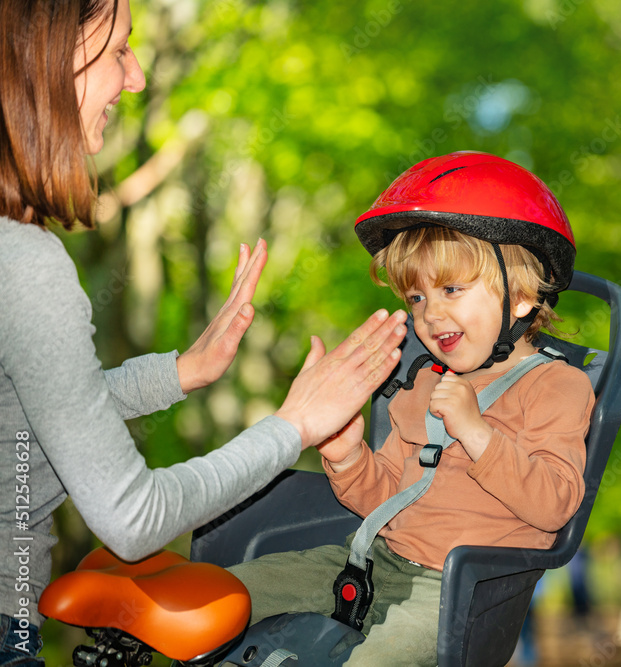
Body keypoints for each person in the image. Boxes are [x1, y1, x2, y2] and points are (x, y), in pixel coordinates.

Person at [0, 1, 407, 664]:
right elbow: (134, 521)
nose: (134, 79)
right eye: (118, 52)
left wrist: (180, 372)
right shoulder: (26, 264)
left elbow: (27, 408)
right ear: (50, 59)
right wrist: (292, 428)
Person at [228, 151, 596, 666]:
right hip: (375, 559)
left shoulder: (557, 386)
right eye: (417, 297)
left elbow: (555, 505)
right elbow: (384, 495)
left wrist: (477, 432)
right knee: (228, 594)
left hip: (458, 592)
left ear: (522, 298)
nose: (430, 312)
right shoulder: (422, 383)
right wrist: (347, 456)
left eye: (451, 289)